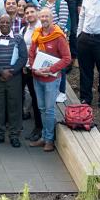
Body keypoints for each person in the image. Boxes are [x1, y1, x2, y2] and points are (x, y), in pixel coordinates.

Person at [28, 8, 72, 152]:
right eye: (42, 17)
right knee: (41, 108)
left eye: (47, 16)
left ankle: (49, 140)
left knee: (49, 109)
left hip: (51, 80)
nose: (44, 19)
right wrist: (35, 69)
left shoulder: (58, 36)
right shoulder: (37, 34)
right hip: (37, 77)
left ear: (52, 18)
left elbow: (67, 59)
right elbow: (31, 54)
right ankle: (44, 137)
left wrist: (50, 69)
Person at [0, 14, 28, 147]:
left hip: (14, 77)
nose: (4, 24)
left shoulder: (18, 39)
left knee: (14, 105)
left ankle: (14, 135)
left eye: (7, 22)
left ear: (11, 24)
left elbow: (23, 57)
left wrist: (12, 71)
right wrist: (1, 71)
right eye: (1, 22)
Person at [38, 0, 70, 102]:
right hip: (43, 38)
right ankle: (49, 88)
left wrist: (50, 33)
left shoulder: (61, 3)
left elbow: (62, 23)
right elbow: (38, 19)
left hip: (56, 38)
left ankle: (61, 91)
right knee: (47, 63)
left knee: (60, 64)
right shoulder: (41, 2)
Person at [21, 4, 43, 142]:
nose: (29, 14)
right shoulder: (25, 29)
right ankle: (37, 128)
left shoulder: (42, 29)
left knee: (38, 100)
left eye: (32, 12)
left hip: (40, 69)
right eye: (27, 12)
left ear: (37, 12)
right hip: (28, 68)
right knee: (33, 98)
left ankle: (40, 128)